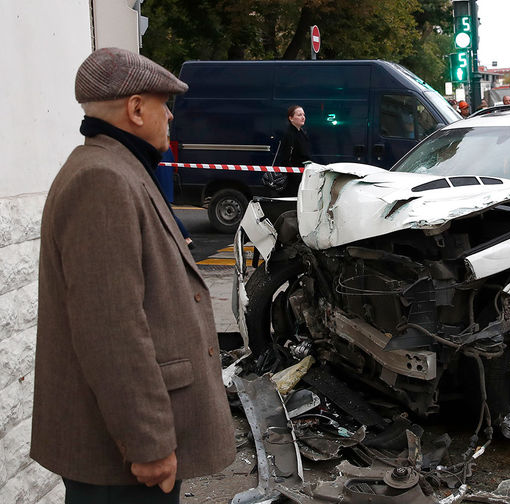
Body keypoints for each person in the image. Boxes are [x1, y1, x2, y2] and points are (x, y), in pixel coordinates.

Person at [31, 47, 235, 503]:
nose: (170, 118)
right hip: (121, 460)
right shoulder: (103, 179)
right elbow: (111, 328)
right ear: (136, 108)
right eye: (165, 106)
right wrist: (149, 444)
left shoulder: (118, 168)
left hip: (123, 449)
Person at [266, 105, 312, 194]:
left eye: (303, 115)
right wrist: (294, 175)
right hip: (292, 179)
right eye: (299, 115)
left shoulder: (302, 133)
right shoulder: (289, 134)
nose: (303, 117)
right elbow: (285, 158)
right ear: (291, 118)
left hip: (302, 175)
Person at [155, 146, 193, 249]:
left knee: (166, 213)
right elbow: (173, 163)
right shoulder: (167, 147)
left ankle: (186, 237)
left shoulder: (150, 147)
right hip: (166, 183)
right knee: (164, 212)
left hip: (157, 184)